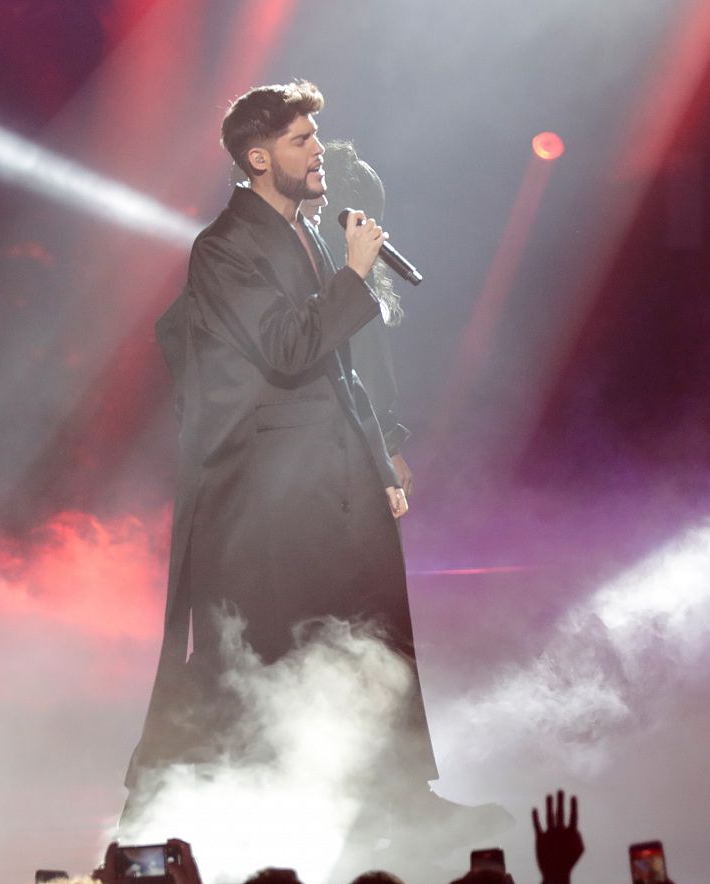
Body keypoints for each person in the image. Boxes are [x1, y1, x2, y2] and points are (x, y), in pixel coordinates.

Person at [129, 79, 474, 837]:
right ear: (258, 157)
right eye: (300, 141)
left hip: (334, 473)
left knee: (371, 628)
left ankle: (400, 795)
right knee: (280, 646)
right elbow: (289, 350)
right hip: (270, 493)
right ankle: (230, 810)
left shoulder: (305, 234)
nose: (320, 151)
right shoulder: (223, 249)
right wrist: (353, 274)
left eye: (315, 136)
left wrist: (381, 463)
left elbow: (340, 369)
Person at [302, 140, 412, 496]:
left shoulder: (306, 260)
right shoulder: (348, 276)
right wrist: (389, 448)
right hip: (350, 451)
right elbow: (364, 367)